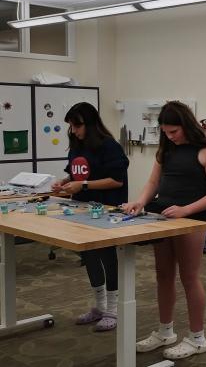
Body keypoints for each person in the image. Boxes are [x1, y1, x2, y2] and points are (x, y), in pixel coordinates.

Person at [123, 101, 206, 360]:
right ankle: (165, 331)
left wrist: (186, 210)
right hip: (164, 217)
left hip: (191, 219)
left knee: (189, 277)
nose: (170, 137)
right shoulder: (166, 149)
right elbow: (153, 182)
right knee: (163, 275)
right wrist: (141, 201)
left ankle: (198, 338)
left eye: (174, 132)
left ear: (186, 126)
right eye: (166, 132)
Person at [51, 102, 129, 332]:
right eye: (71, 127)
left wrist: (82, 185)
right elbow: (73, 172)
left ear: (91, 123)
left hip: (106, 209)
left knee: (106, 255)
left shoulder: (109, 146)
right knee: (89, 255)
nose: (73, 131)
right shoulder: (77, 144)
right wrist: (63, 182)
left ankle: (113, 310)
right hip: (82, 208)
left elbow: (117, 180)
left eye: (77, 126)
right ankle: (99, 306)